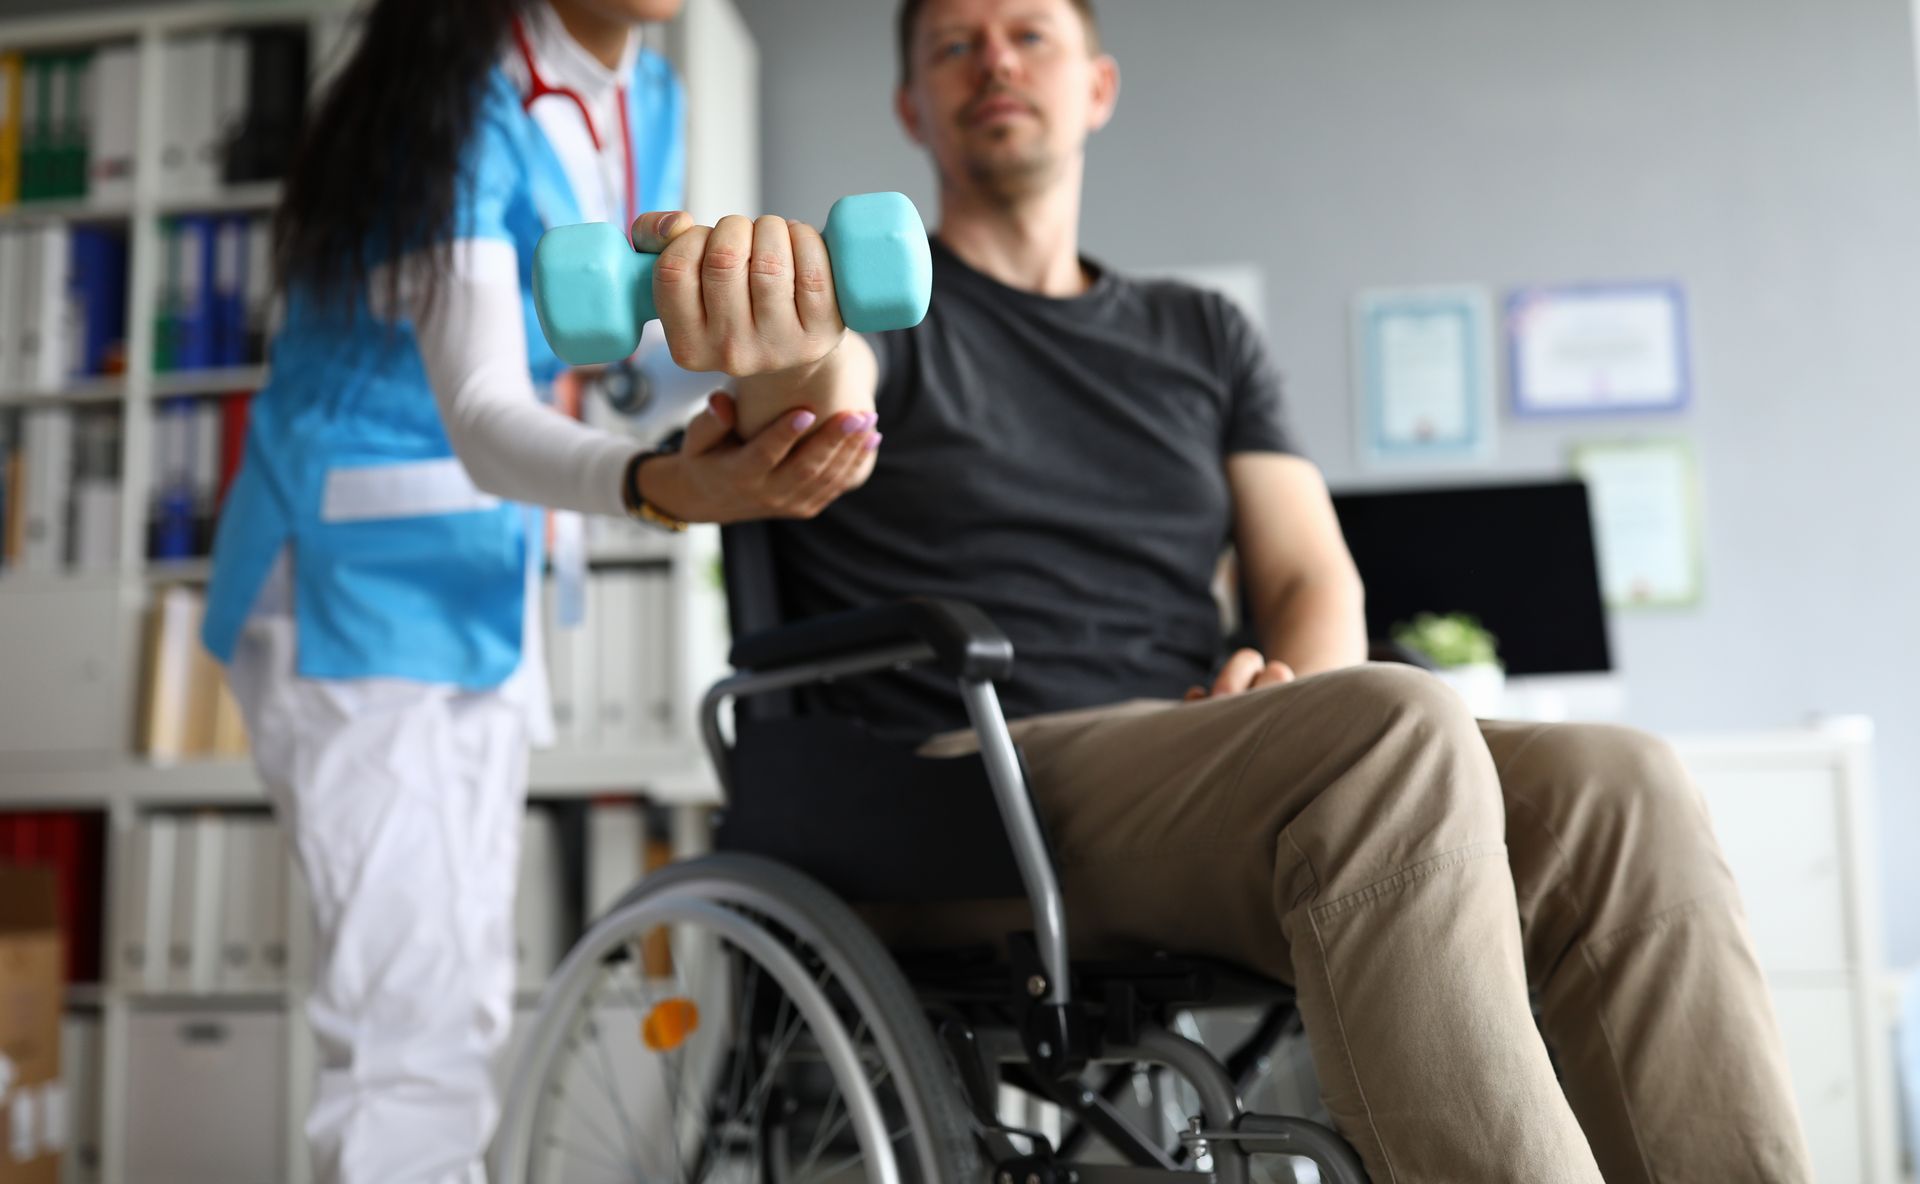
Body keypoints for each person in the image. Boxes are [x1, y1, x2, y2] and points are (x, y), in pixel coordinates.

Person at [625, 0, 1818, 1179]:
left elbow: (1305, 570)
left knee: (1618, 782)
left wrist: (1291, 681)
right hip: (954, 785)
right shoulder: (889, 304)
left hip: (1182, 757)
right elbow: (822, 394)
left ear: (1096, 86)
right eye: (954, 43)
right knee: (1390, 725)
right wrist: (781, 339)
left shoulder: (1202, 335)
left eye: (1029, 33)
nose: (994, 58)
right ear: (912, 106)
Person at [199, 1, 880, 1179]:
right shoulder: (450, 98)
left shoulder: (648, 98)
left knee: (455, 1009)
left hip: (484, 592)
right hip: (357, 586)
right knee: (406, 1035)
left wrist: (761, 349)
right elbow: (482, 413)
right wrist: (665, 485)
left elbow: (619, 347)